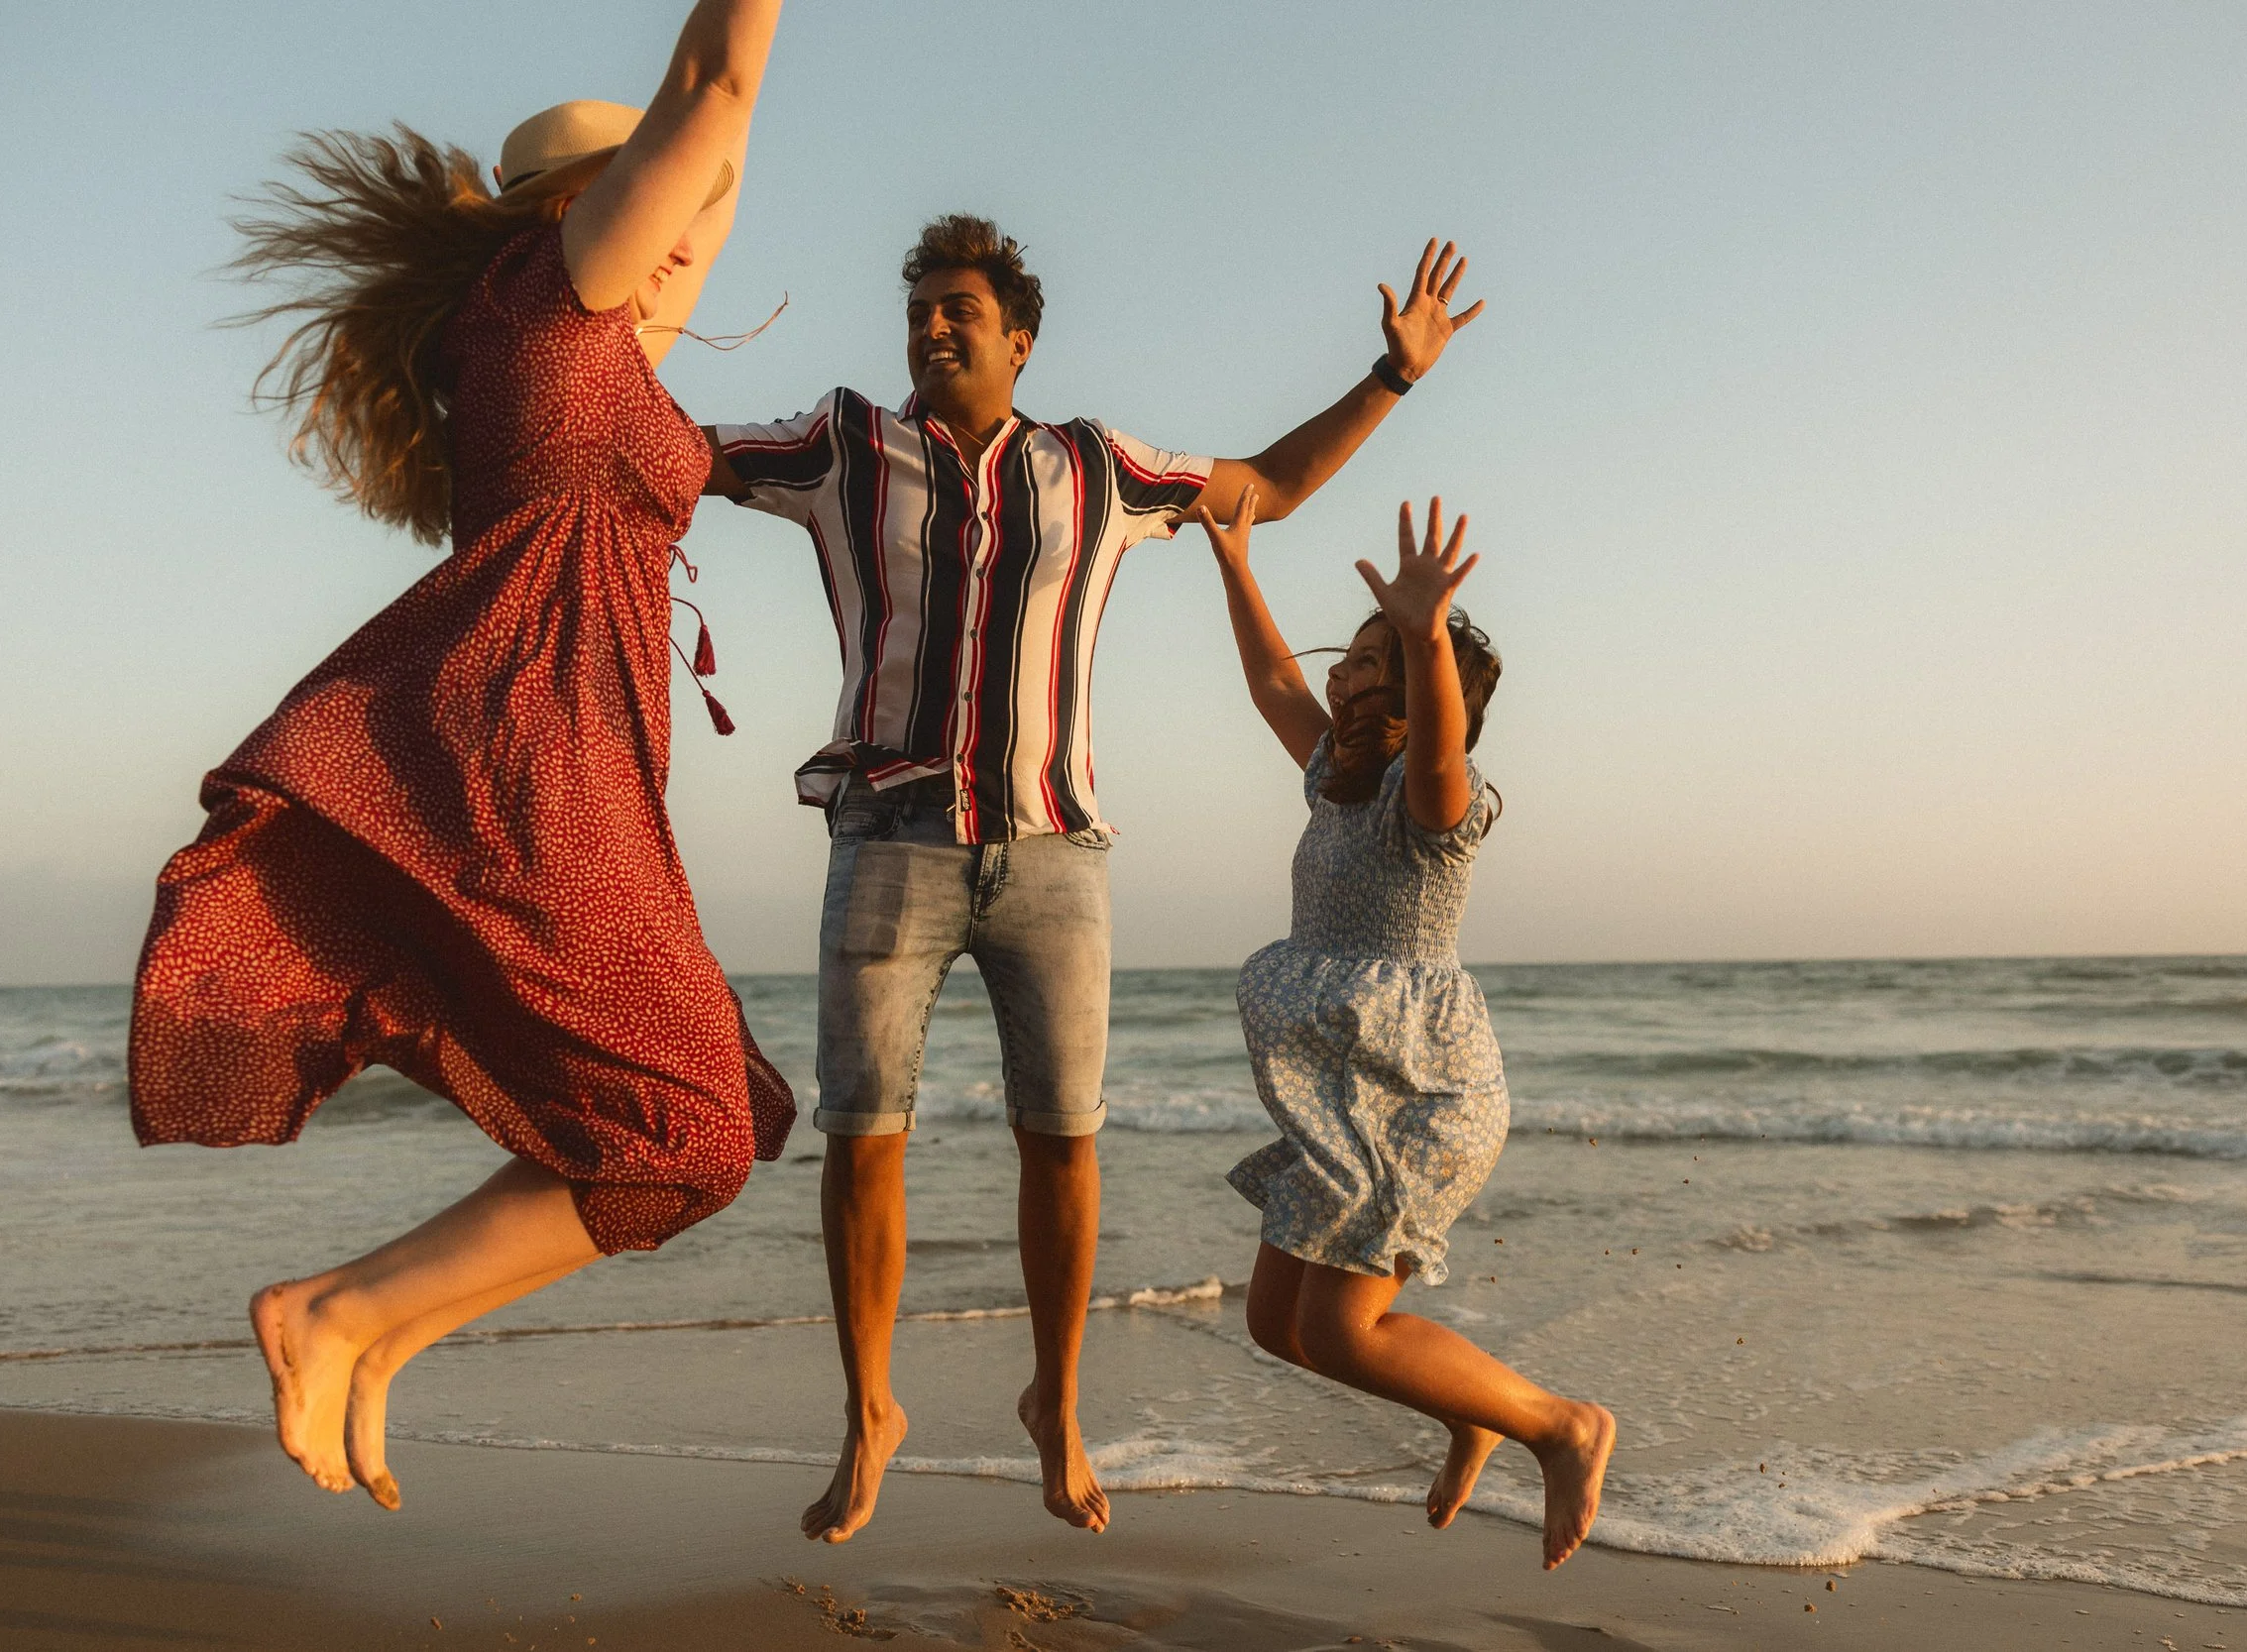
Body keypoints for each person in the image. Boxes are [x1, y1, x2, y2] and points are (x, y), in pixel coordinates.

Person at [702, 224, 1486, 1542]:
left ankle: (1055, 1406)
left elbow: (1268, 489)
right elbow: (680, 452)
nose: (934, 329)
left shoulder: (1099, 467)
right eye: (919, 312)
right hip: (889, 836)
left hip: (1056, 853)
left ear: (1020, 338)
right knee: (862, 1136)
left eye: (961, 309)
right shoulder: (844, 447)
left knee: (1064, 1138)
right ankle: (869, 1412)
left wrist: (1390, 377)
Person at [127, 0, 793, 1512]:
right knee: (685, 1129)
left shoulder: (592, 334)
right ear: (584, 209)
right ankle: (339, 1313)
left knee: (708, 1123)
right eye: (662, 193)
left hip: (591, 764)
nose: (696, 222)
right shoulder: (546, 304)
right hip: (531, 760)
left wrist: (720, 141)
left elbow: (728, 139)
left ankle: (370, 1324)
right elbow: (718, 85)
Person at [1195, 489, 1617, 1569]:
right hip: (1346, 1094)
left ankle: (1561, 1424)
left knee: (1340, 1328)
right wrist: (1232, 554)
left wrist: (1425, 632)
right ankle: (1466, 1408)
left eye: (1368, 661)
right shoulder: (1333, 780)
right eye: (1355, 652)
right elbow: (1270, 679)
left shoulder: (1431, 802)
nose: (1343, 671)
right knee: (1276, 1322)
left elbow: (1438, 735)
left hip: (1421, 1099)